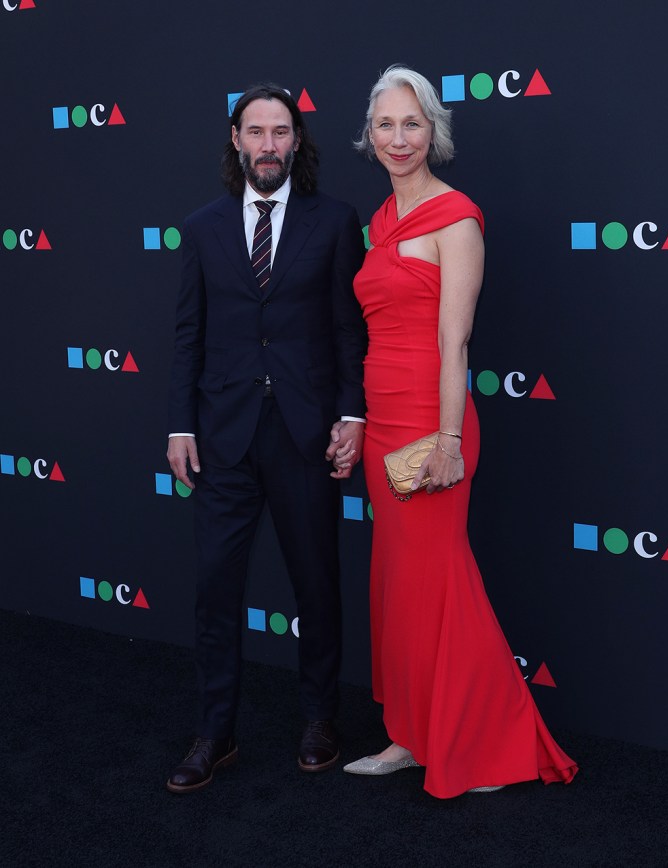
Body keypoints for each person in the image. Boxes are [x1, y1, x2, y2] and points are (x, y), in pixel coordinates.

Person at [340, 66, 578, 798]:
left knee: (442, 585)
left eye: (413, 124)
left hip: (430, 424)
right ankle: (412, 737)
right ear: (369, 135)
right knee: (403, 590)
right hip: (382, 424)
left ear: (434, 132)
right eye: (386, 124)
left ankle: (487, 742)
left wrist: (448, 439)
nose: (399, 138)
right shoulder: (378, 223)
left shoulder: (457, 217)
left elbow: (456, 344)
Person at [165, 83, 367, 793]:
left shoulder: (336, 222)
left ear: (297, 142)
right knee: (216, 588)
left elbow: (348, 329)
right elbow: (189, 333)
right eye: (257, 132)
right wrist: (181, 423)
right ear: (236, 140)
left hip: (306, 433)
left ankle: (319, 718)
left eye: (282, 133)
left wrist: (352, 413)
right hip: (222, 437)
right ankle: (213, 732)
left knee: (316, 580)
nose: (269, 146)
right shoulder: (202, 227)